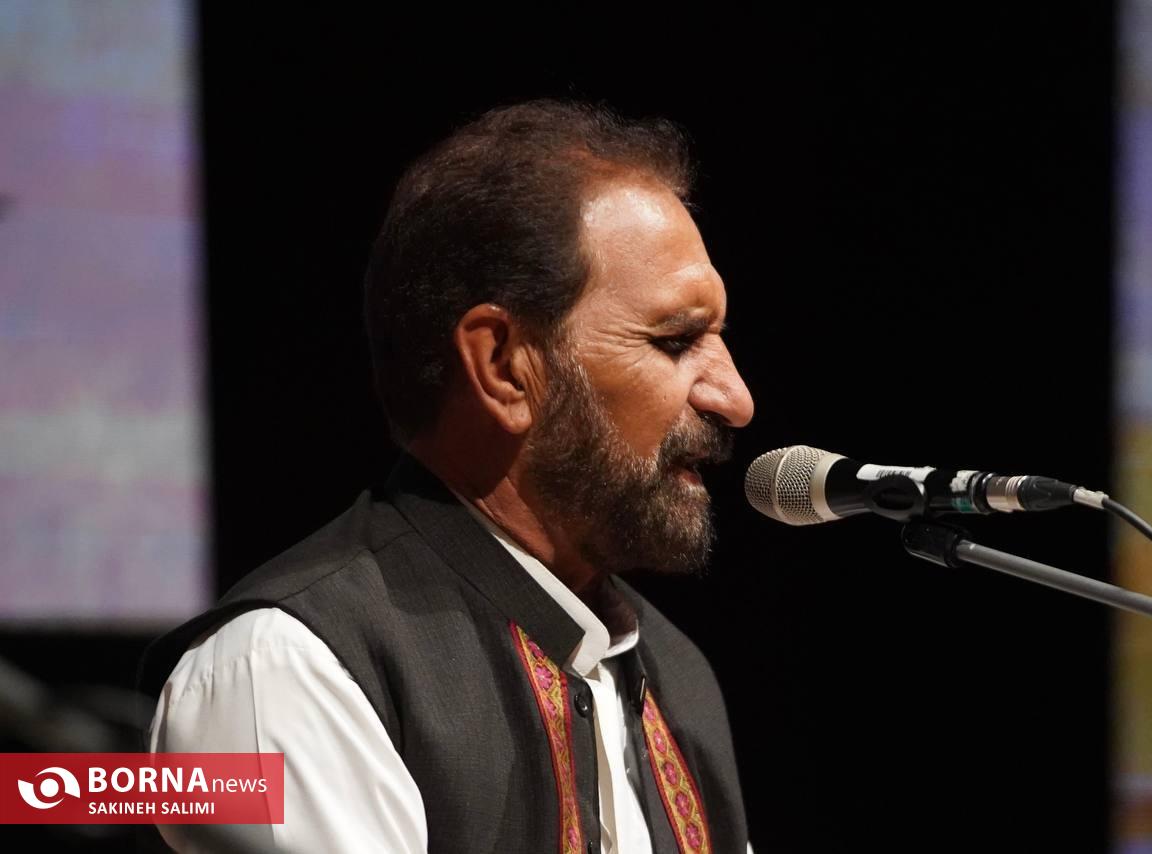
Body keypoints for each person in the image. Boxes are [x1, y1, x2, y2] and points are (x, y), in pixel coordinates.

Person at [141, 100, 755, 854]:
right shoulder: (285, 669)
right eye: (676, 340)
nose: (736, 398)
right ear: (503, 366)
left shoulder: (678, 678)